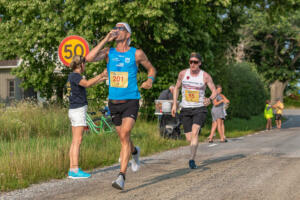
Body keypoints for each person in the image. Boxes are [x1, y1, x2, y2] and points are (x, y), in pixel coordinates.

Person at [86, 22, 156, 190]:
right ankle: (135, 152)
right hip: (114, 103)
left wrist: (149, 80)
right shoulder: (109, 52)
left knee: (125, 134)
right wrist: (105, 39)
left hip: (131, 101)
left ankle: (121, 177)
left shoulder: (136, 53)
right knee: (124, 138)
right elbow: (88, 59)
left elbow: (152, 69)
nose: (116, 31)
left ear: (128, 35)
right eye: (115, 28)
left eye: (120, 29)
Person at [171, 52, 217, 169]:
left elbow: (214, 91)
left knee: (195, 131)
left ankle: (192, 159)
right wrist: (174, 104)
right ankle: (194, 141)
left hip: (199, 108)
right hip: (185, 108)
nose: (193, 64)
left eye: (195, 62)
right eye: (191, 62)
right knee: (189, 137)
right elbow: (176, 87)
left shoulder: (205, 76)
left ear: (200, 63)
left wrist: (210, 99)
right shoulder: (182, 74)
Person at [66, 55, 107, 179]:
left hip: (74, 110)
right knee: (78, 141)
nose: (85, 67)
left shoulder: (72, 76)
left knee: (74, 141)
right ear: (81, 65)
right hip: (78, 111)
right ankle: (75, 169)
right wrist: (100, 75)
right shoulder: (76, 76)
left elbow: (87, 84)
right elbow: (88, 83)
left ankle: (72, 169)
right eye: (85, 64)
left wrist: (103, 77)